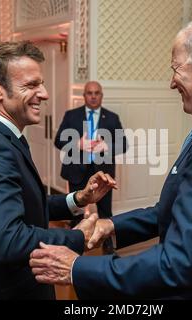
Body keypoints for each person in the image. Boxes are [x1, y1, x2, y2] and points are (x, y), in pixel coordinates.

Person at [29, 16, 192, 299]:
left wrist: (77, 268)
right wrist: (112, 224)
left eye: (176, 69)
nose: (172, 82)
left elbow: (179, 262)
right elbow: (177, 208)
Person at [0, 41, 116, 300]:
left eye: (40, 83)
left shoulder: (3, 137)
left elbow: (26, 204)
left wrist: (78, 199)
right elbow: (7, 240)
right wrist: (75, 236)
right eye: (31, 85)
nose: (44, 93)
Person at [54, 81, 127, 253]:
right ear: (84, 96)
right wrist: (77, 143)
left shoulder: (112, 117)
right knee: (75, 210)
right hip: (76, 171)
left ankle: (108, 245)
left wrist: (107, 145)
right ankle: (73, 245)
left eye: (97, 93)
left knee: (105, 210)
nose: (93, 96)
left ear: (101, 95)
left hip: (103, 174)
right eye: (89, 93)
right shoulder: (71, 115)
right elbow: (58, 140)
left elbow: (124, 144)